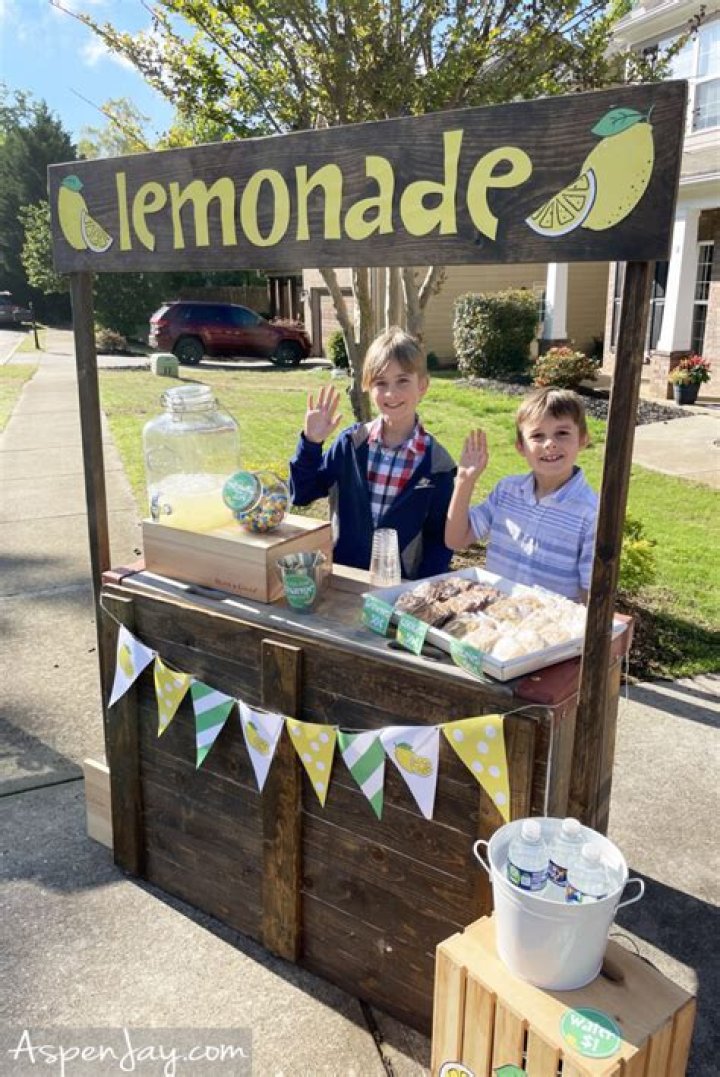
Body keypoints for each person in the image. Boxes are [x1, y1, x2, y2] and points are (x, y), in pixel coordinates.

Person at [289, 327, 456, 579]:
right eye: (380, 382)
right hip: (343, 578)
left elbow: (439, 542)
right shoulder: (350, 445)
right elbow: (301, 494)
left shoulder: (437, 465)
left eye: (402, 380)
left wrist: (418, 590)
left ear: (422, 385)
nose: (391, 393)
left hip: (398, 588)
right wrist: (311, 443)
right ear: (367, 386)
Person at [445, 387, 597, 601]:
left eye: (562, 433)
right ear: (520, 447)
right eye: (537, 435)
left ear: (582, 439)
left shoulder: (591, 513)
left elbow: (591, 593)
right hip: (495, 614)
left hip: (551, 621)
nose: (550, 444)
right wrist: (464, 481)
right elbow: (456, 539)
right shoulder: (506, 491)